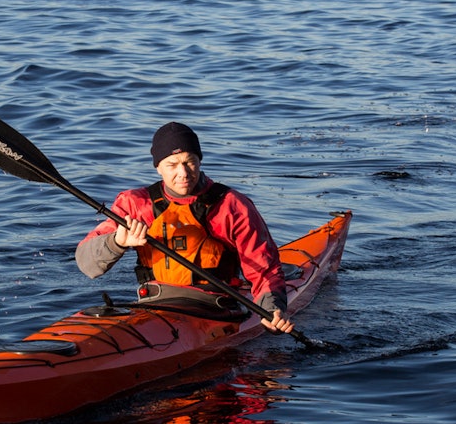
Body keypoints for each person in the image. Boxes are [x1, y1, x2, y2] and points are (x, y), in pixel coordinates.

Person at [76, 121, 294, 334]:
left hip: (215, 310)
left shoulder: (231, 205)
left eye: (189, 161)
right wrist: (117, 242)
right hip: (153, 305)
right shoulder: (135, 204)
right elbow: (87, 264)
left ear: (199, 161)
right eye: (172, 164)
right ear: (158, 168)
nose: (183, 172)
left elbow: (263, 268)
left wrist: (272, 308)